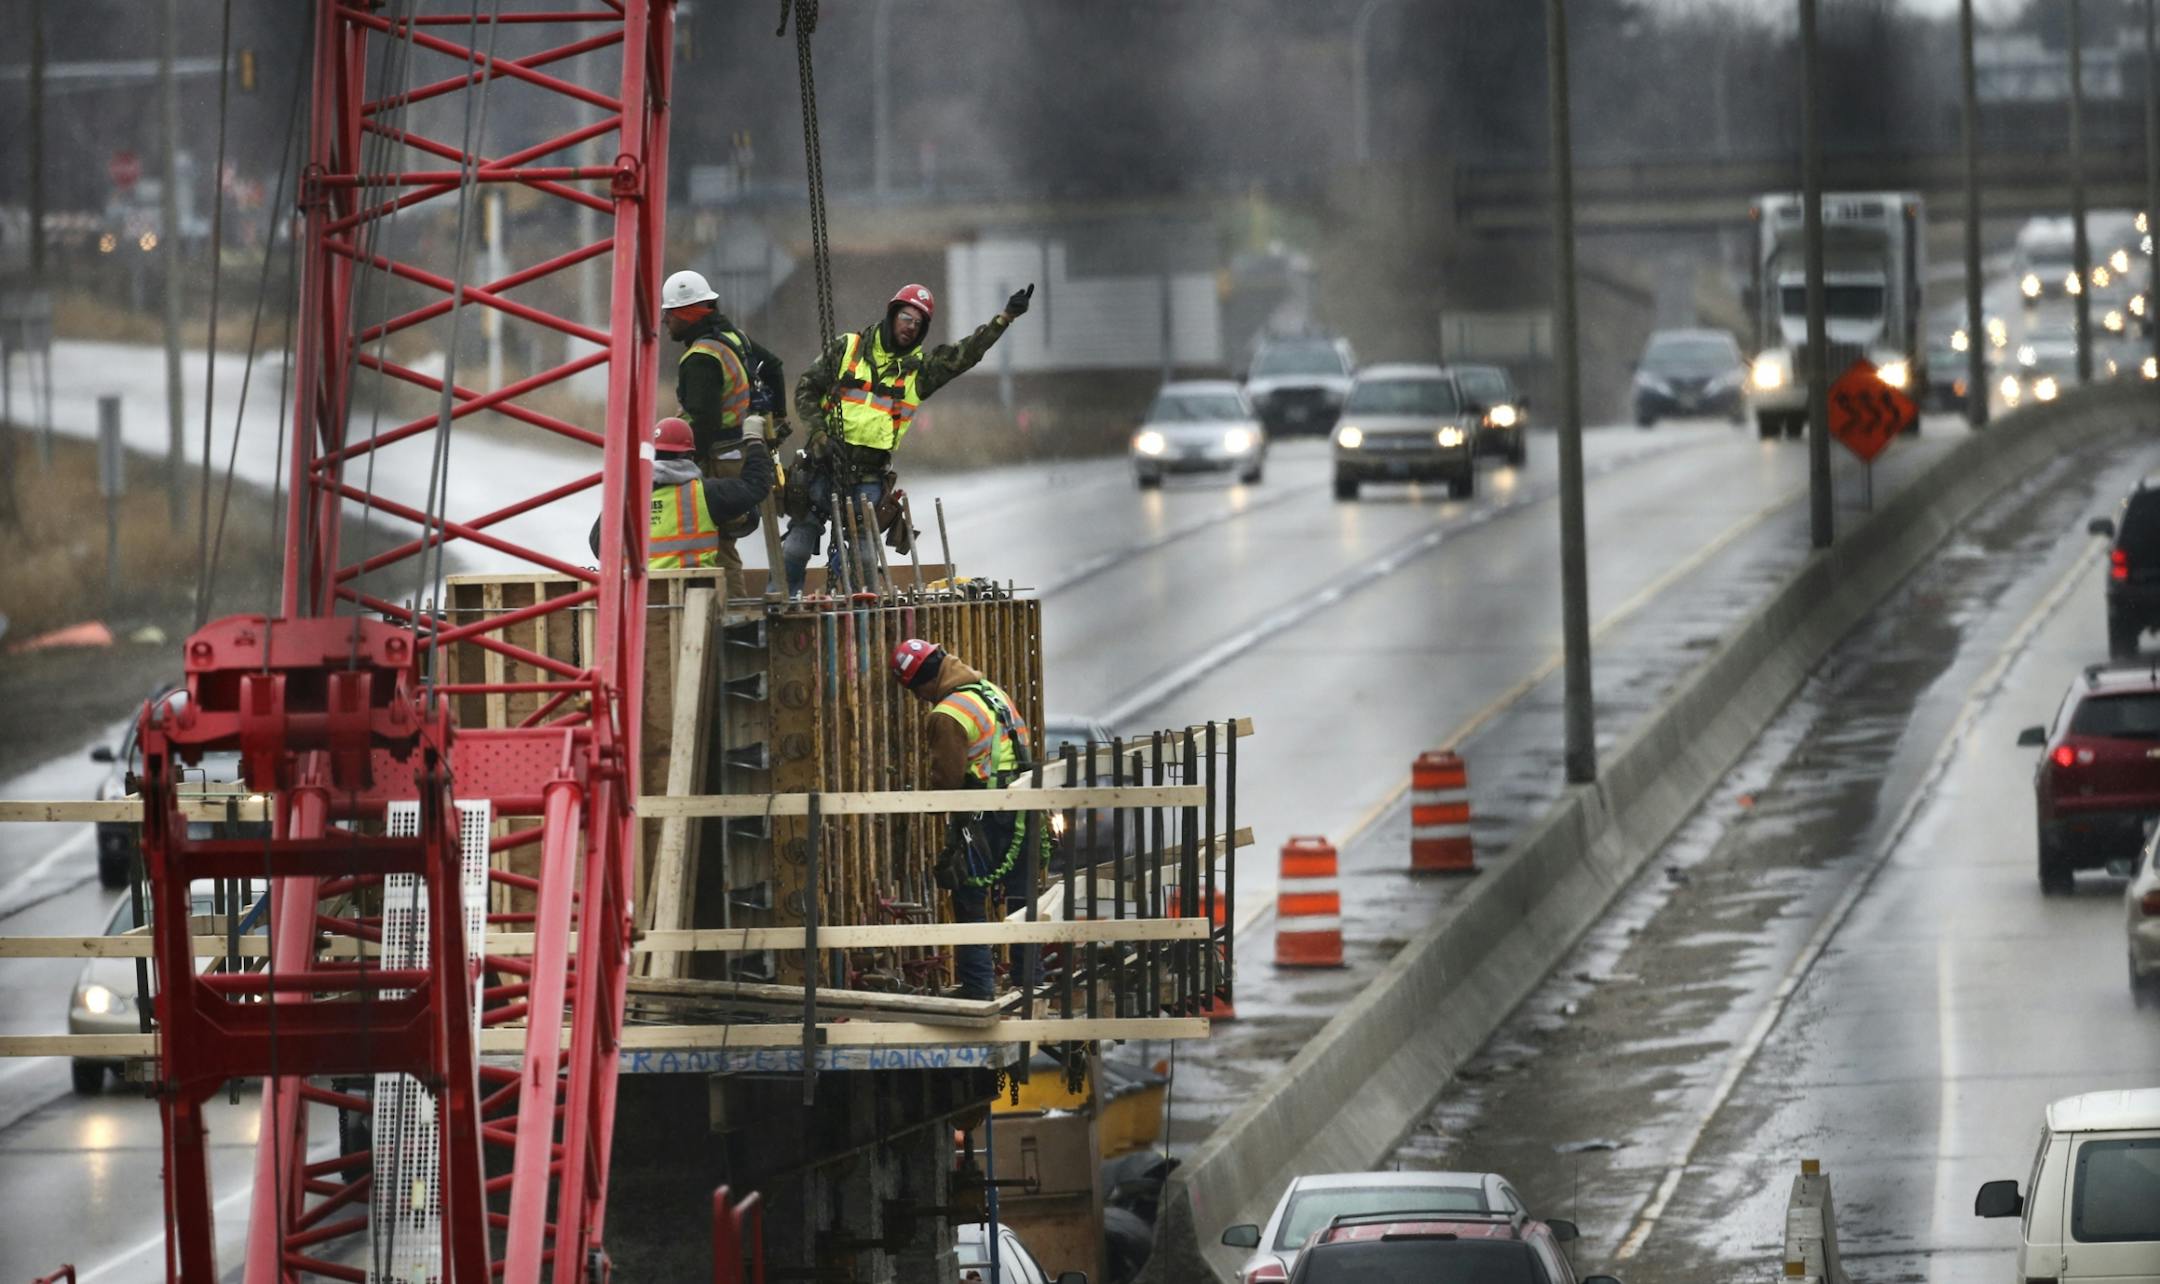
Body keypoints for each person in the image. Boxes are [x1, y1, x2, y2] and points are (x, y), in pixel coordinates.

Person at [784, 281, 1035, 595]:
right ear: (892, 315)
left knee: (864, 560)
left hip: (869, 478)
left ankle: (864, 621)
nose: (910, 328)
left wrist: (1004, 319)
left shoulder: (919, 373)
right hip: (824, 466)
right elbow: (806, 388)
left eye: (918, 324)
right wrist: (819, 433)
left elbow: (965, 354)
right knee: (796, 546)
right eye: (906, 318)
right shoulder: (847, 348)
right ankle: (781, 605)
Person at [890, 637, 1046, 1001]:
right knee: (1023, 898)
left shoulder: (948, 714)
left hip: (985, 814)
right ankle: (1031, 981)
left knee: (969, 895)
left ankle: (978, 987)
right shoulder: (991, 692)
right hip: (1024, 805)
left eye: (917, 692)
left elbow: (948, 779)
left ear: (922, 684)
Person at [589, 417, 773, 583]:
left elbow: (598, 547)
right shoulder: (707, 494)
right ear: (689, 456)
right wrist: (754, 440)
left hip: (635, 603)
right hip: (693, 602)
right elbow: (756, 485)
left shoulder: (626, 497)